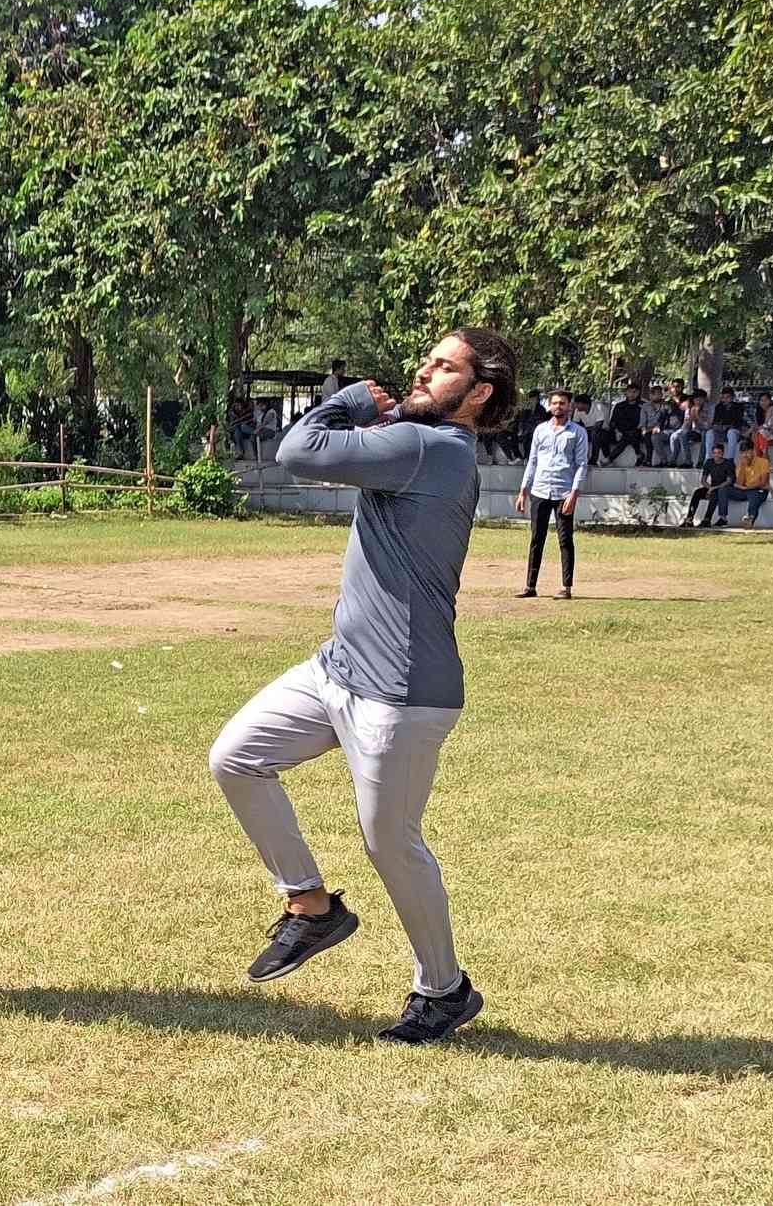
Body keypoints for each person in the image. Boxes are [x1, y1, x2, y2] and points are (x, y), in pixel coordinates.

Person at [208, 327, 517, 1046]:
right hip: (338, 667)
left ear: (479, 394)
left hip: (402, 692)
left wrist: (343, 400)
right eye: (428, 358)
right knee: (237, 758)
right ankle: (311, 907)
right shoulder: (416, 440)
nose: (423, 370)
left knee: (392, 843)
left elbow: (297, 452)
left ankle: (444, 991)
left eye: (444, 367)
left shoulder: (431, 448)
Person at [514, 388, 590, 599]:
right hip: (540, 489)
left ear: (569, 406)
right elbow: (532, 461)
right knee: (536, 539)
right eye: (555, 403)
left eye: (562, 403)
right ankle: (530, 586)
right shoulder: (540, 430)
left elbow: (581, 465)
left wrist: (574, 494)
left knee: (565, 540)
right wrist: (523, 491)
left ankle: (566, 587)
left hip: (564, 491)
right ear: (550, 405)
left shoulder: (577, 432)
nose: (558, 406)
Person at [717, 442, 772, 527]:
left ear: (753, 451)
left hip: (760, 489)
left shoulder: (763, 462)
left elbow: (763, 482)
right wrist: (743, 466)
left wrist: (746, 488)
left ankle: (750, 518)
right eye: (742, 453)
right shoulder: (742, 464)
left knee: (754, 494)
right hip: (745, 490)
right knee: (723, 489)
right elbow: (739, 483)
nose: (745, 455)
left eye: (747, 452)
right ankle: (723, 518)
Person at [681, 444, 735, 527]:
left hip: (723, 488)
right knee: (697, 492)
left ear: (723, 453)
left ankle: (707, 519)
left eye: (719, 453)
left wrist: (713, 488)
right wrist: (709, 488)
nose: (716, 455)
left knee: (714, 494)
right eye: (714, 453)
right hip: (711, 487)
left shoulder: (728, 463)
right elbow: (703, 480)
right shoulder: (709, 462)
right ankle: (689, 519)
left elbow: (729, 481)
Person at [600, 384, 651, 466]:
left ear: (638, 393)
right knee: (601, 435)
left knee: (629, 435)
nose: (632, 394)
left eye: (634, 392)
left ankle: (609, 459)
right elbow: (613, 422)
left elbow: (646, 421)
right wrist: (616, 431)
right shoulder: (619, 406)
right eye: (630, 392)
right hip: (619, 432)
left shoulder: (644, 405)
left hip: (637, 432)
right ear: (626, 393)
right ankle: (638, 454)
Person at [668, 391, 710, 468]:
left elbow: (707, 426)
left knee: (705, 434)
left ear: (704, 399)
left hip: (705, 431)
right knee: (681, 435)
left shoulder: (709, 408)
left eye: (700, 399)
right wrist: (691, 417)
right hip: (695, 432)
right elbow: (685, 427)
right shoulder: (691, 409)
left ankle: (701, 461)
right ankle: (687, 461)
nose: (698, 401)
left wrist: (697, 415)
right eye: (696, 399)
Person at [705, 386, 746, 461]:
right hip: (721, 432)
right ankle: (708, 459)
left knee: (731, 432)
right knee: (709, 433)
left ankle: (730, 460)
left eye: (728, 397)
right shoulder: (719, 407)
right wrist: (717, 426)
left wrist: (727, 426)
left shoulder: (738, 407)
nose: (725, 399)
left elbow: (738, 423)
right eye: (723, 397)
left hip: (734, 432)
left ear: (732, 397)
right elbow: (715, 421)